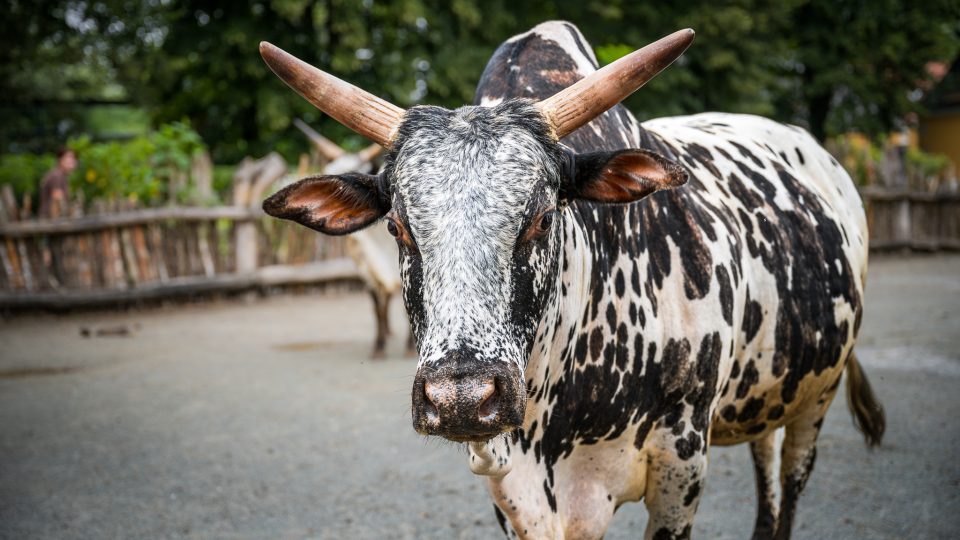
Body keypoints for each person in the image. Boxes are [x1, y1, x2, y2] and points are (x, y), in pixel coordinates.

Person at [39, 147, 77, 218]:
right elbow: (58, 200)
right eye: (69, 157)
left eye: (74, 158)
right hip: (51, 221)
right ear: (60, 159)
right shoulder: (57, 175)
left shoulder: (61, 175)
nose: (73, 161)